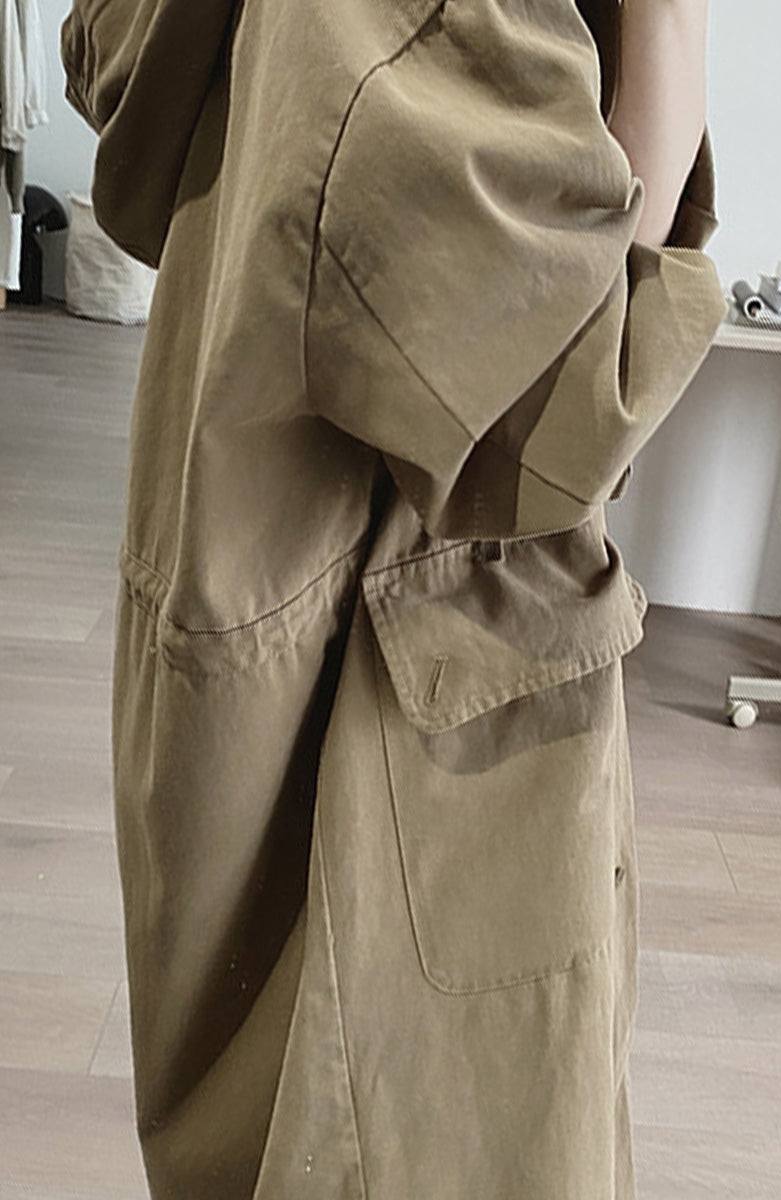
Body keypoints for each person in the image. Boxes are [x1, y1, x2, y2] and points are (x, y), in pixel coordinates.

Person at [60, 1, 726, 1197]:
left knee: (248, 1117)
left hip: (239, 595)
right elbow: (567, 404)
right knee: (400, 1135)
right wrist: (670, 24)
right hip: (404, 710)